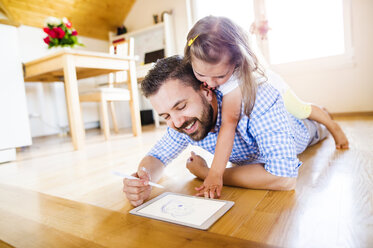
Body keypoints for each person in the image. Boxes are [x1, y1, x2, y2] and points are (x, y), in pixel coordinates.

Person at [122, 55, 329, 206]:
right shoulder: (182, 122)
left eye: (181, 106)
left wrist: (206, 173)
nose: (176, 122)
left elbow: (283, 178)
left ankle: (325, 117)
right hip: (256, 158)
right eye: (166, 116)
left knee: (317, 123)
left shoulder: (256, 100)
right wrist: (144, 178)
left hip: (302, 132)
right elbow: (157, 156)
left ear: (206, 90)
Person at [183, 16, 349, 198]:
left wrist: (214, 173)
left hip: (276, 90)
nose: (210, 83)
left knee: (301, 111)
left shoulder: (234, 81)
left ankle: (332, 126)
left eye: (220, 77)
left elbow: (228, 126)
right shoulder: (200, 64)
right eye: (201, 75)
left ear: (236, 63)